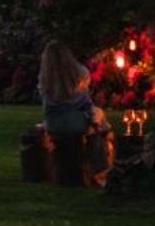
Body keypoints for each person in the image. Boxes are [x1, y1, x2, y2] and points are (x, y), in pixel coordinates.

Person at [38, 39, 111, 179]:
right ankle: (100, 167)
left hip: (53, 123)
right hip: (76, 122)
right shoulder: (81, 73)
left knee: (94, 120)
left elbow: (46, 104)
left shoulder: (45, 78)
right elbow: (85, 102)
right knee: (96, 120)